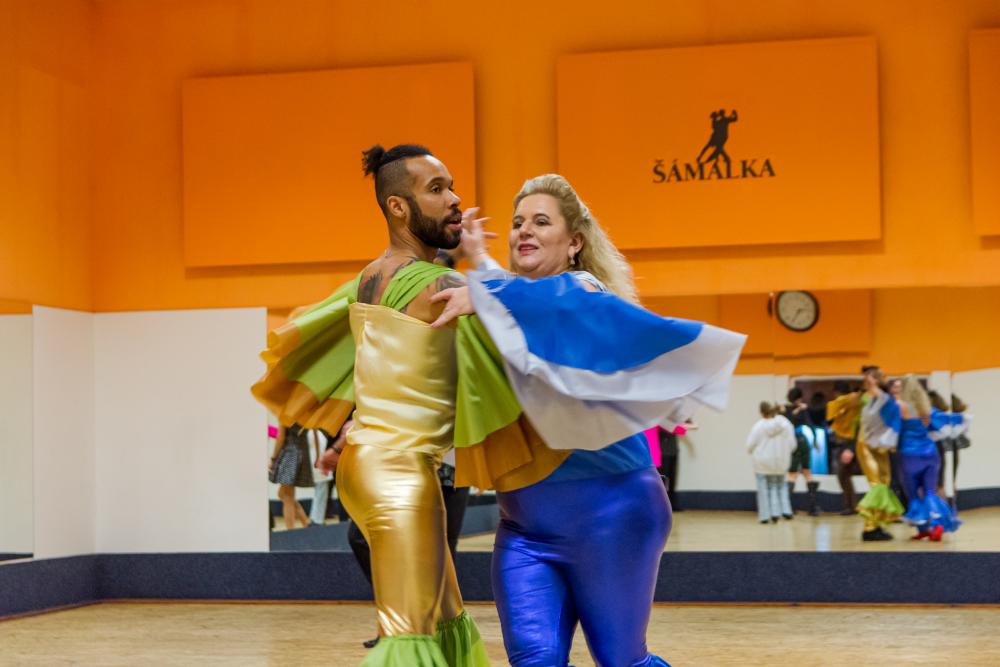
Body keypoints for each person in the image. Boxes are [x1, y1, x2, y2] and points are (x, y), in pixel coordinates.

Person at [431, 174, 745, 667]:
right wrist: (480, 259)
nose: (524, 231)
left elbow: (560, 304)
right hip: (524, 524)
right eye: (517, 222)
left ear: (574, 242)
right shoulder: (512, 307)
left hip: (614, 515)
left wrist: (487, 291)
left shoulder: (583, 292)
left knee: (622, 661)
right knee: (534, 661)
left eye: (541, 222)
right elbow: (517, 300)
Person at [253, 143, 489, 666]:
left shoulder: (369, 277)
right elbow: (524, 332)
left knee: (444, 620)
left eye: (452, 186)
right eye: (437, 189)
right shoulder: (441, 286)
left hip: (371, 464)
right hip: (400, 472)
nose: (455, 199)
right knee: (408, 639)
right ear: (398, 207)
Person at [863, 375, 962, 541]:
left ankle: (923, 527)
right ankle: (937, 526)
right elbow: (941, 421)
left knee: (913, 493)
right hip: (930, 454)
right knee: (930, 491)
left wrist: (872, 385)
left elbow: (883, 413)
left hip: (909, 455)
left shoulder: (899, 406)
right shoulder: (926, 408)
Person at [851, 367, 903, 541]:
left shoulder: (882, 399)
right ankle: (870, 528)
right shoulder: (873, 399)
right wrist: (870, 379)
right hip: (867, 446)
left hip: (878, 446)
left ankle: (877, 524)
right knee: (877, 485)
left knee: (884, 482)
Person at [746, 402, 796, 523]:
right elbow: (793, 445)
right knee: (780, 486)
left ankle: (765, 516)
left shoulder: (758, 426)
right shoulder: (786, 424)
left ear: (761, 412)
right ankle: (781, 511)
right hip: (781, 461)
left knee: (763, 488)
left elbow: (749, 445)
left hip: (762, 461)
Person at [268, 423, 315, 530]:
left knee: (287, 496)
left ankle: (291, 530)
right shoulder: (305, 416)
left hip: (289, 454)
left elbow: (280, 437)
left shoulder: (285, 416)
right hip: (302, 452)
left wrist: (273, 458)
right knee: (283, 494)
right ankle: (306, 523)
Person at [826, 380, 863, 515]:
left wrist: (850, 448)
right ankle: (852, 506)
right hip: (850, 443)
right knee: (844, 475)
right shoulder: (854, 402)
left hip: (850, 443)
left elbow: (830, 420)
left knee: (843, 475)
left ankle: (853, 506)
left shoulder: (846, 402)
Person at [783, 387, 820, 516]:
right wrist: (815, 441)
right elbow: (811, 426)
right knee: (807, 472)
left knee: (792, 474)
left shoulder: (785, 410)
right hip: (802, 441)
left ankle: (788, 507)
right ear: (799, 398)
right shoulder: (803, 410)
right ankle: (813, 507)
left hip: (791, 443)